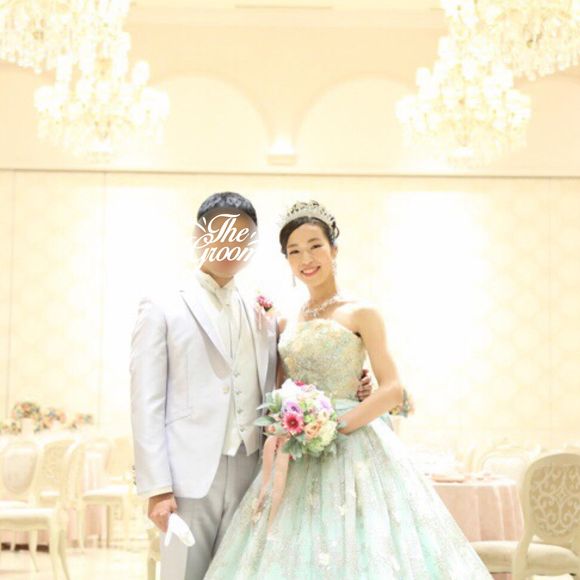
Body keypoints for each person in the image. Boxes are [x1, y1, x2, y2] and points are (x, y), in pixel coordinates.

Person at [203, 200, 492, 579]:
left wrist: (335, 425)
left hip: (353, 442)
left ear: (334, 250)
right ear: (287, 261)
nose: (306, 258)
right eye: (294, 251)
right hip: (298, 447)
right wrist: (291, 423)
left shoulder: (361, 312)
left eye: (315, 246)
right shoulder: (287, 320)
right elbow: (280, 385)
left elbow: (392, 389)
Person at [129, 192, 373, 580]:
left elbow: (291, 371)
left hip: (252, 471)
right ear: (199, 235)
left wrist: (352, 381)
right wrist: (157, 487)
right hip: (188, 477)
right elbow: (146, 402)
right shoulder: (162, 305)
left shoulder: (261, 308)